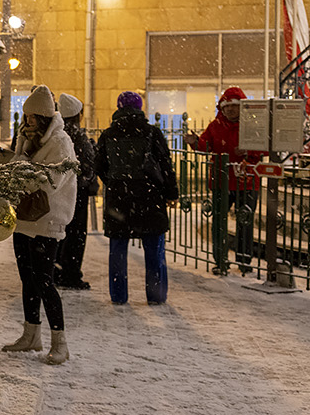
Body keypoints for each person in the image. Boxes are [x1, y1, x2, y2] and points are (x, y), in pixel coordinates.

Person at [2, 85, 78, 365]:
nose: (28, 121)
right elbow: (21, 167)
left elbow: (52, 180)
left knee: (45, 281)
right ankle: (31, 334)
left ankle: (60, 342)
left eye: (33, 116)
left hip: (47, 220)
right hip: (23, 218)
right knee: (27, 280)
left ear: (45, 117)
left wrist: (21, 173)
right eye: (27, 116)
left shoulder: (60, 142)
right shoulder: (25, 138)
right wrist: (10, 163)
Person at [95, 91, 179, 305]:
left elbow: (100, 167)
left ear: (118, 108)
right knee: (154, 251)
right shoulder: (152, 133)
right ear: (140, 108)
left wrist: (116, 183)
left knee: (118, 251)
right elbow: (165, 166)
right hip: (149, 197)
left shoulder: (108, 134)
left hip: (119, 200)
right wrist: (171, 193)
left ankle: (119, 295)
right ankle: (156, 296)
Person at [185, 87, 264, 275]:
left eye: (234, 107)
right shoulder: (215, 125)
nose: (230, 110)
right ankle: (220, 260)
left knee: (244, 221)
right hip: (222, 180)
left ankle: (244, 260)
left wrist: (248, 153)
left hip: (247, 180)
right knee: (219, 221)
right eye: (227, 107)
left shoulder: (252, 125)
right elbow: (206, 146)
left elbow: (265, 148)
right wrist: (194, 142)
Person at [54, 93, 96, 290]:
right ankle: (70, 273)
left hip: (61, 191)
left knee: (61, 232)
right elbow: (87, 166)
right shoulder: (78, 136)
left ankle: (57, 270)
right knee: (76, 235)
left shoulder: (58, 133)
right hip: (77, 193)